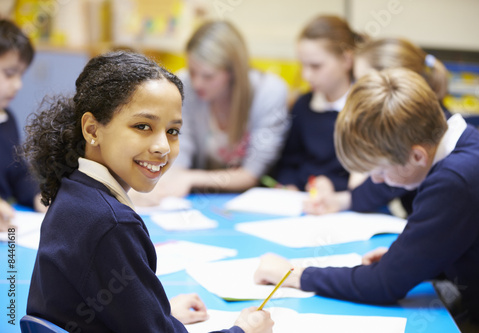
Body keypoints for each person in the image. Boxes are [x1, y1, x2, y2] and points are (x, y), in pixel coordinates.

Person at [24, 51, 273, 333]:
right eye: (143, 126)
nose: (163, 147)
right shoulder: (112, 224)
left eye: (173, 131)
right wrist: (243, 330)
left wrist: (158, 314)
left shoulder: (74, 190)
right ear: (92, 129)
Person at [254, 68, 479, 333]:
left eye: (380, 171)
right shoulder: (471, 145)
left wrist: (296, 275)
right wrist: (418, 258)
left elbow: (384, 285)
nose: (378, 181)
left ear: (417, 156)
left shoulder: (454, 181)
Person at [132, 20, 288, 204]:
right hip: (199, 198)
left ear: (233, 73)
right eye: (193, 72)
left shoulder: (269, 92)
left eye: (208, 76)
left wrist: (190, 178)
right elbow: (179, 154)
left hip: (253, 200)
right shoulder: (184, 84)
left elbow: (251, 174)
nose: (197, 83)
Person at [303, 37, 451, 216]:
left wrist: (342, 199)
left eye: (361, 81)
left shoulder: (426, 130)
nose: (355, 90)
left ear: (391, 85)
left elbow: (379, 187)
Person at [272, 15, 364, 192]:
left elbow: (373, 178)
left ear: (346, 60)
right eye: (303, 65)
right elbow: (288, 163)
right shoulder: (303, 105)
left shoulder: (365, 109)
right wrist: (289, 186)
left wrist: (334, 188)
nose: (306, 75)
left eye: (315, 66)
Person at [0, 19, 44, 231]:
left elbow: (18, 172)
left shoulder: (7, 119)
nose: (18, 84)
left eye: (21, 75)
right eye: (9, 74)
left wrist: (38, 196)